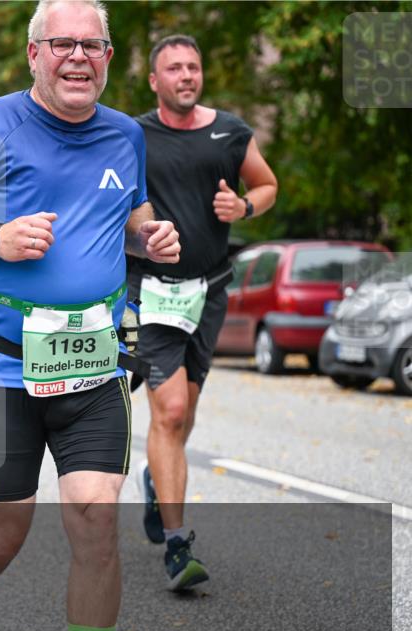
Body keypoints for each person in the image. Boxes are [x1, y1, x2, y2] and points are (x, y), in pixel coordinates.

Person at [0, 2, 180, 631]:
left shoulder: (125, 136)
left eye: (94, 45)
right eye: (62, 44)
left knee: (94, 518)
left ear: (110, 58)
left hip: (96, 362)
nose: (79, 56)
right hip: (1, 366)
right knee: (1, 536)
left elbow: (131, 211)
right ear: (34, 55)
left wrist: (151, 234)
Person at [128, 34, 277, 591]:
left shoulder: (231, 132)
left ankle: (155, 479)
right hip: (154, 292)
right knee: (167, 413)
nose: (186, 76)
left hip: (210, 292)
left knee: (183, 417)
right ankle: (177, 546)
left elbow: (266, 185)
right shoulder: (134, 136)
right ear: (154, 80)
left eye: (193, 66)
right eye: (174, 68)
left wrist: (244, 206)